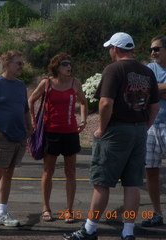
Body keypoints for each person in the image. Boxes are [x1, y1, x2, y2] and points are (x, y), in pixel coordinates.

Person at [63, 32, 160, 240]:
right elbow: (155, 105)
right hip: (139, 130)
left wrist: (102, 128)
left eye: (110, 48)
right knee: (133, 184)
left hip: (117, 130)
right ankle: (128, 231)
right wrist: (144, 126)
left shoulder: (113, 69)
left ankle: (89, 229)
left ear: (115, 49)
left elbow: (106, 102)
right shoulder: (147, 71)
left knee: (102, 182)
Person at [28, 53, 88, 222]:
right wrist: (32, 121)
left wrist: (83, 120)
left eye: (70, 64)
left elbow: (83, 102)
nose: (69, 66)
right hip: (51, 132)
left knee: (71, 172)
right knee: (48, 171)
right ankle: (46, 208)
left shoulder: (75, 83)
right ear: (56, 67)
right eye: (64, 64)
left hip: (70, 132)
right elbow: (31, 100)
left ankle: (69, 210)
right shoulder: (46, 83)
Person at [0, 50, 33, 232]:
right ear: (7, 64)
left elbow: (25, 108)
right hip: (2, 137)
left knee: (8, 174)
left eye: (21, 63)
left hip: (18, 137)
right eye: (18, 63)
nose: (21, 66)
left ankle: (2, 212)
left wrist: (29, 127)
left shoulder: (20, 85)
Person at [142, 36, 166, 227]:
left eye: (156, 49)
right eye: (152, 49)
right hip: (151, 125)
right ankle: (157, 213)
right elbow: (145, 90)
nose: (153, 53)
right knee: (151, 170)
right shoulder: (150, 69)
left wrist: (154, 89)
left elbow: (152, 90)